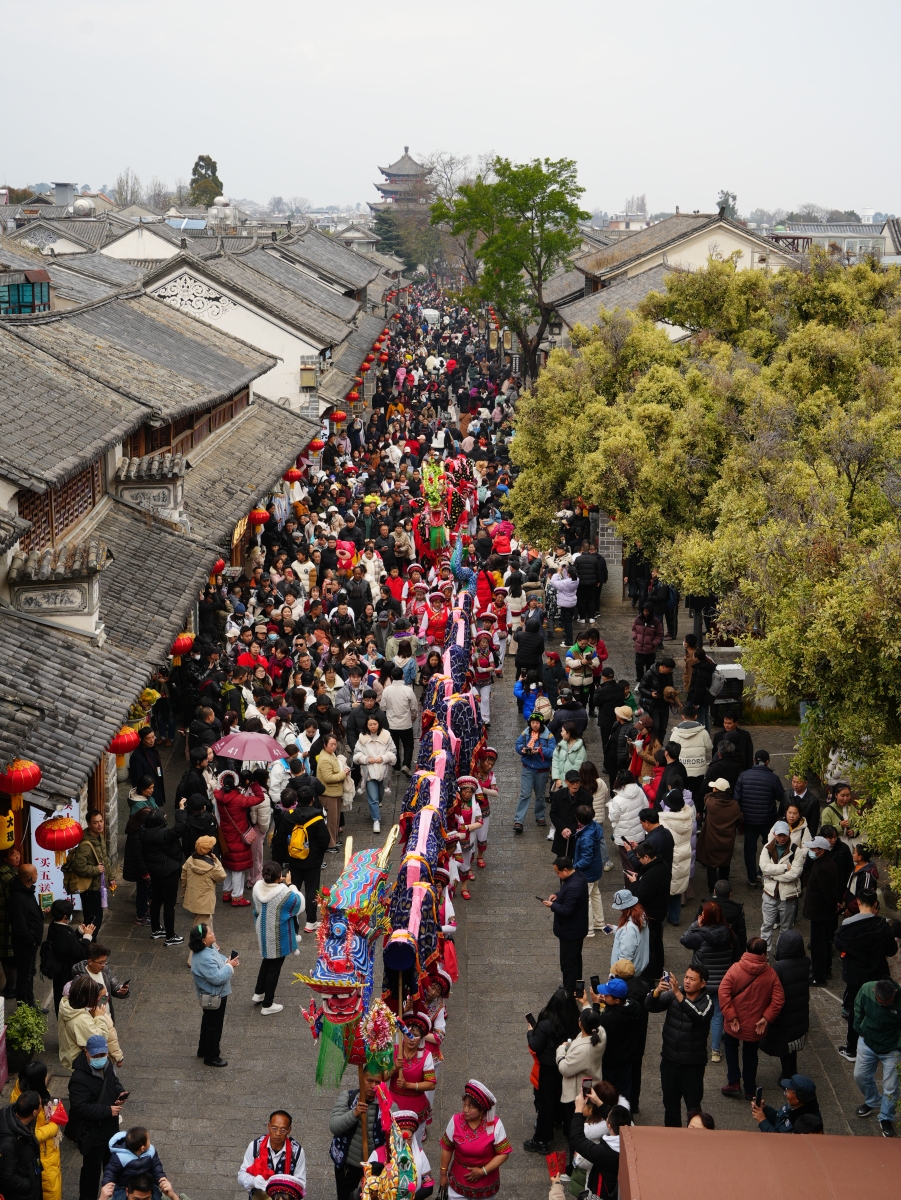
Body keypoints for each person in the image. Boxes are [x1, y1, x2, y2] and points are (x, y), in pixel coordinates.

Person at [833, 889, 898, 1062]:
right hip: (878, 973)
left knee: (856, 1009)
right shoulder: (882, 925)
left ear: (859, 903)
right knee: (879, 1006)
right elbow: (892, 950)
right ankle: (881, 1046)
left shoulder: (847, 926)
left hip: (855, 975)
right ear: (876, 904)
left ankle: (851, 1049)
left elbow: (839, 943)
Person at [645, 964, 714, 1127]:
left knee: (694, 1108)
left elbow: (698, 1016)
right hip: (669, 1061)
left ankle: (695, 1140)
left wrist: (677, 993)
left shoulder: (707, 1002)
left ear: (702, 983)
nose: (687, 982)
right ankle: (672, 1139)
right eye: (686, 977)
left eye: (692, 979)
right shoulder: (675, 993)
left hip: (692, 1066)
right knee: (670, 1106)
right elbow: (650, 1006)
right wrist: (656, 992)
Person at [719, 937, 785, 1099]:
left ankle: (734, 1082)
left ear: (747, 950)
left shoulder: (735, 969)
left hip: (734, 1023)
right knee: (750, 1053)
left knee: (730, 1047)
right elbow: (778, 999)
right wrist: (766, 1018)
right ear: (763, 953)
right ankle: (750, 1088)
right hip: (756, 1025)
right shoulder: (770, 974)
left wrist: (731, 1016)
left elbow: (723, 992)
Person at [67, 1033, 125, 1200]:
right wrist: (108, 1111)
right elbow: (80, 1108)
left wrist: (120, 1091)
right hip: (93, 1134)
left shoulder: (106, 1064)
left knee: (112, 1168)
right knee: (91, 1173)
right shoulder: (79, 1079)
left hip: (111, 1131)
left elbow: (113, 1081)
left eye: (103, 1055)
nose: (100, 1058)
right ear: (87, 1053)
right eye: (96, 1056)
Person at [524, 987, 580, 1154]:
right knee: (566, 1098)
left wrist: (529, 1033)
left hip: (549, 1067)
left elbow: (535, 1044)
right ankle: (561, 1122)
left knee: (546, 1102)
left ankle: (541, 1139)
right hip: (568, 1065)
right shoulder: (576, 1020)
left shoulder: (546, 1022)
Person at [680, 902, 736, 1065]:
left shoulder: (700, 934)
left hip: (701, 982)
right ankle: (715, 1050)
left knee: (693, 1010)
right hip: (721, 982)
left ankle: (691, 1045)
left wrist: (695, 924)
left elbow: (684, 939)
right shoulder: (728, 932)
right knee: (718, 1015)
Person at [438, 1080, 511, 1200]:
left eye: (470, 1107)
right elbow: (447, 1148)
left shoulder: (495, 1125)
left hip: (485, 1183)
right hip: (458, 1182)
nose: (465, 1110)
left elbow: (503, 1154)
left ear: (482, 1111)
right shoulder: (455, 1121)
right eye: (464, 1105)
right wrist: (443, 1174)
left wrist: (482, 1171)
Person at [251, 861, 304, 1015]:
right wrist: (291, 884)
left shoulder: (257, 888)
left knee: (267, 960)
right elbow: (299, 904)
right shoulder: (284, 893)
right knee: (274, 967)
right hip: (278, 934)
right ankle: (267, 1005)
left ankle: (259, 993)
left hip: (263, 930)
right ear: (279, 877)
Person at [853, 977, 901, 1136]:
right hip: (868, 1042)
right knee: (860, 1076)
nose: (883, 1005)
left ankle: (886, 1117)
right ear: (874, 992)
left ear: (894, 992)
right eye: (881, 1003)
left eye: (887, 1003)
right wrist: (860, 1028)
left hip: (891, 1048)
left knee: (891, 1086)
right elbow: (858, 1007)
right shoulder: (866, 988)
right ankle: (873, 1101)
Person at [759, 930, 811, 1079]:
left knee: (784, 1047)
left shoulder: (779, 967)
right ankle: (791, 1072)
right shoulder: (806, 962)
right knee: (792, 1046)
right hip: (799, 1012)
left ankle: (787, 1076)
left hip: (784, 1015)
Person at [329, 1070, 388, 1200]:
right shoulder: (348, 1097)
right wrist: (354, 1113)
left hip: (375, 1167)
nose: (373, 1086)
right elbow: (334, 1126)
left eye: (378, 1082)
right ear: (361, 1079)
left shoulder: (389, 1104)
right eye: (369, 1081)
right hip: (348, 1165)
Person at [10, 1061, 61, 1200]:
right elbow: (33, 1134)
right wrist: (54, 1125)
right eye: (45, 1075)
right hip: (43, 1155)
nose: (47, 1077)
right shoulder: (30, 1104)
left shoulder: (24, 1093)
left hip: (48, 1151)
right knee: (50, 1191)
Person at [734, 750, 785, 886]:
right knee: (769, 846)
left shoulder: (743, 776)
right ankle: (764, 873)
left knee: (749, 850)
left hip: (749, 820)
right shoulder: (773, 778)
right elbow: (781, 797)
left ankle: (751, 878)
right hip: (768, 820)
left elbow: (736, 799)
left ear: (753, 759)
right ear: (767, 761)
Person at [189, 923, 237, 1067]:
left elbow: (218, 959)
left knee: (208, 1022)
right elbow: (217, 978)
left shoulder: (208, 949)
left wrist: (227, 961)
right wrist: (230, 966)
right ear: (203, 940)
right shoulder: (204, 957)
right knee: (214, 1026)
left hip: (208, 995)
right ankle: (211, 1056)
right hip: (213, 996)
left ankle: (203, 1049)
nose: (213, 933)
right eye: (210, 933)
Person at [568, 1092, 629, 1200]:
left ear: (609, 1125)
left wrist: (578, 1110)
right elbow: (614, 1118)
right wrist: (597, 1100)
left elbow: (577, 1139)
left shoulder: (603, 1152)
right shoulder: (631, 1137)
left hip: (603, 1194)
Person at [625, 842, 670, 982]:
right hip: (660, 911)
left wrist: (634, 882)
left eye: (639, 858)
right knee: (657, 942)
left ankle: (649, 977)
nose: (638, 860)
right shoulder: (663, 866)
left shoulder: (652, 873)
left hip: (650, 913)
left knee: (649, 946)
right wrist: (639, 878)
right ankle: (658, 971)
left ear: (646, 857)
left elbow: (641, 895)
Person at [543, 857, 588, 997]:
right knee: (574, 960)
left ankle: (570, 990)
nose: (558, 875)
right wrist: (557, 895)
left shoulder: (574, 886)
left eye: (558, 872)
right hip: (574, 930)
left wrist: (552, 905)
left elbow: (567, 910)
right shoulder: (577, 878)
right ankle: (575, 986)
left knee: (569, 963)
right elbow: (566, 895)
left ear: (566, 870)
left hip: (571, 932)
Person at [139, 809, 185, 946]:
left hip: (155, 871)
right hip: (168, 871)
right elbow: (180, 829)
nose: (166, 816)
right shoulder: (163, 834)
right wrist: (181, 810)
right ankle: (170, 936)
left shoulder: (144, 832)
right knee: (169, 905)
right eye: (164, 816)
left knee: (156, 900)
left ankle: (156, 929)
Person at [215, 770, 264, 898]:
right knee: (238, 867)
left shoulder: (218, 798)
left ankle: (227, 891)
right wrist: (253, 784)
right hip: (238, 835)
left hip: (225, 834)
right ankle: (237, 896)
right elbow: (260, 797)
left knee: (228, 864)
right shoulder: (240, 799)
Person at [759, 820, 805, 951]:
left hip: (788, 895)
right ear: (774, 834)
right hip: (769, 893)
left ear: (789, 834)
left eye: (784, 835)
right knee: (767, 925)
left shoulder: (796, 850)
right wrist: (785, 867)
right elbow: (764, 868)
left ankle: (782, 954)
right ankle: (764, 955)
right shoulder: (767, 848)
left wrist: (772, 875)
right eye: (779, 835)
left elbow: (795, 874)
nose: (782, 838)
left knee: (786, 929)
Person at [64, 810, 112, 934]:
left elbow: (104, 858)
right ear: (89, 825)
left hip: (98, 885)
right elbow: (78, 866)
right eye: (95, 823)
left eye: (101, 821)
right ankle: (87, 942)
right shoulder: (86, 844)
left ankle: (85, 941)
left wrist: (110, 877)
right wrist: (96, 870)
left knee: (95, 917)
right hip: (89, 888)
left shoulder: (99, 837)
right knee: (92, 919)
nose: (100, 825)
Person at [802, 835, 841, 986]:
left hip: (820, 913)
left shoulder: (823, 867)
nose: (810, 851)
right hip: (823, 912)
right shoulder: (825, 862)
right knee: (823, 942)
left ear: (821, 850)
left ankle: (819, 975)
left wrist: (833, 906)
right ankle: (825, 970)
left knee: (819, 945)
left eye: (813, 848)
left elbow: (828, 893)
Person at [238, 1111, 305, 1196]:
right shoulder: (255, 1146)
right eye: (274, 1128)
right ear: (269, 1126)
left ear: (289, 1130)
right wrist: (254, 1181)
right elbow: (241, 1176)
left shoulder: (297, 1152)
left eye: (283, 1130)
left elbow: (301, 1184)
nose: (278, 1133)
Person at [100, 1126, 178, 1200]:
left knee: (157, 1196)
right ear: (142, 1148)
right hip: (123, 1185)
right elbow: (110, 1171)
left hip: (146, 1183)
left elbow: (156, 1166)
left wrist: (161, 1179)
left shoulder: (151, 1152)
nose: (150, 1142)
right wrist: (107, 1183)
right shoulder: (120, 1156)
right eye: (148, 1140)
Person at [180, 836, 226, 956]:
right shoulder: (212, 866)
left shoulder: (190, 860)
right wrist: (216, 860)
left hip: (192, 898)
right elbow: (222, 875)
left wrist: (184, 893)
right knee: (200, 931)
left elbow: (184, 878)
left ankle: (212, 946)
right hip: (205, 902)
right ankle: (192, 958)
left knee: (206, 922)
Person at [353, 714, 397, 833]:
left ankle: (374, 811)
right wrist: (366, 759)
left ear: (379, 724)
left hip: (384, 770)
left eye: (375, 724)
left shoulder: (386, 736)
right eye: (370, 724)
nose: (373, 726)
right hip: (369, 772)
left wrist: (383, 758)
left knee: (380, 795)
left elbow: (393, 752)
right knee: (373, 798)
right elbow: (356, 754)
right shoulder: (362, 737)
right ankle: (376, 820)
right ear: (367, 725)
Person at [8, 864, 43, 1009]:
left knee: (30, 974)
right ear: (29, 877)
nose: (37, 875)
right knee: (24, 977)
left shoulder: (27, 891)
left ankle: (31, 1003)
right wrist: (31, 941)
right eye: (35, 873)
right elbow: (19, 925)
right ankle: (24, 1010)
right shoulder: (18, 897)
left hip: (31, 942)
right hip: (25, 944)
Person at [513, 715, 555, 833]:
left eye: (537, 723)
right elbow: (518, 744)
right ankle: (519, 821)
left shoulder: (548, 736)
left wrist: (541, 750)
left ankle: (540, 816)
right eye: (533, 722)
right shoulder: (525, 733)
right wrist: (522, 749)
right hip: (527, 768)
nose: (535, 725)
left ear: (541, 724)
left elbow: (553, 751)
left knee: (540, 794)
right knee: (525, 794)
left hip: (542, 770)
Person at [668, 706, 712, 812]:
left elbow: (671, 750)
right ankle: (698, 815)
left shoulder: (675, 733)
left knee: (683, 794)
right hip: (699, 770)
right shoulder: (703, 732)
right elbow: (709, 748)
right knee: (697, 794)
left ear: (683, 717)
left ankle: (685, 815)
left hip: (682, 770)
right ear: (696, 716)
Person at [0, 1088, 42, 1200]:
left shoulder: (24, 1122)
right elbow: (8, 1177)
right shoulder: (9, 1142)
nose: (42, 1106)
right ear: (34, 1112)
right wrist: (29, 1184)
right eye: (40, 1104)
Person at [71, 941, 129, 1023]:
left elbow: (115, 985)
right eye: (101, 963)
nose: (104, 965)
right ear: (90, 961)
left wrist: (122, 990)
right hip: (92, 1022)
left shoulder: (105, 970)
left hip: (107, 1018)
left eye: (105, 961)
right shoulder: (81, 979)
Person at [573, 804, 606, 936]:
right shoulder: (595, 827)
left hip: (587, 873)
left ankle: (588, 928)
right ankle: (599, 922)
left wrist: (573, 867)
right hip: (595, 869)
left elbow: (586, 859)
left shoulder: (586, 837)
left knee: (586, 899)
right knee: (595, 894)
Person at [750, 1074, 821, 1133]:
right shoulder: (794, 1105)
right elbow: (779, 1119)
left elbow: (779, 1142)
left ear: (797, 1098)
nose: (785, 1093)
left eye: (788, 1091)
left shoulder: (803, 1124)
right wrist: (765, 1109)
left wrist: (762, 1121)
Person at [381, 666, 420, 776]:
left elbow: (383, 707)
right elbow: (414, 706)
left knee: (394, 745)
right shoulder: (407, 689)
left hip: (391, 723)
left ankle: (396, 765)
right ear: (402, 675)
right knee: (408, 744)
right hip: (405, 723)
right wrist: (413, 716)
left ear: (392, 677)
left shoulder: (387, 690)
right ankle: (406, 764)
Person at [316, 733, 351, 852]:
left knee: (335, 819)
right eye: (331, 744)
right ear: (325, 745)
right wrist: (343, 774)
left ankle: (334, 839)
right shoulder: (325, 759)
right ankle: (330, 844)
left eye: (335, 744)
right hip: (328, 794)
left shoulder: (330, 754)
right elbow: (328, 778)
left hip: (335, 792)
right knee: (330, 820)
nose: (334, 747)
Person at [609, 890, 649, 976]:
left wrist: (614, 975)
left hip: (625, 973)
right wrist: (617, 930)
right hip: (637, 968)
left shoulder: (629, 928)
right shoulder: (640, 918)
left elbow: (626, 956)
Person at [0, 845, 23, 998]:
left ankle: (10, 986)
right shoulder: (8, 876)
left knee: (6, 953)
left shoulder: (9, 872)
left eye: (18, 853)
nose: (17, 856)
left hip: (4, 918)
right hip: (8, 919)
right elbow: (14, 900)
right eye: (13, 855)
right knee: (10, 954)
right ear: (5, 858)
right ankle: (11, 987)